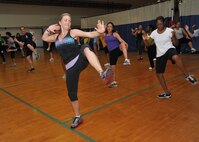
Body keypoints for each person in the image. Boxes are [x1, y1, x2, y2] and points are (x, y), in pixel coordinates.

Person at [42, 13, 113, 128]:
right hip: (70, 68)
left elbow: (89, 34)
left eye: (69, 21)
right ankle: (78, 117)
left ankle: (102, 73)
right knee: (72, 94)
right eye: (65, 20)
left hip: (80, 59)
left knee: (85, 47)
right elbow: (44, 38)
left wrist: (100, 31)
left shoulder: (73, 32)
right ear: (59, 22)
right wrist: (49, 29)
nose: (68, 22)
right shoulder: (55, 37)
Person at [142, 16, 197, 99]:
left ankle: (187, 76)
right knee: (159, 74)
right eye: (157, 24)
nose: (159, 26)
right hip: (160, 54)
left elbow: (176, 44)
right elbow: (148, 45)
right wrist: (145, 39)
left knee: (176, 57)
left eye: (160, 24)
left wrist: (174, 36)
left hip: (169, 49)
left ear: (163, 23)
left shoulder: (169, 31)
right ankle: (167, 93)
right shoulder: (154, 33)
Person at [104, 22, 130, 88]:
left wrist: (125, 43)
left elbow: (121, 40)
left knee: (122, 44)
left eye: (110, 26)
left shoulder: (115, 34)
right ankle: (113, 82)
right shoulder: (104, 34)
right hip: (111, 53)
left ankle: (126, 60)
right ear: (106, 28)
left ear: (112, 28)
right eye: (108, 26)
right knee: (113, 69)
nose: (109, 28)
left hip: (117, 49)